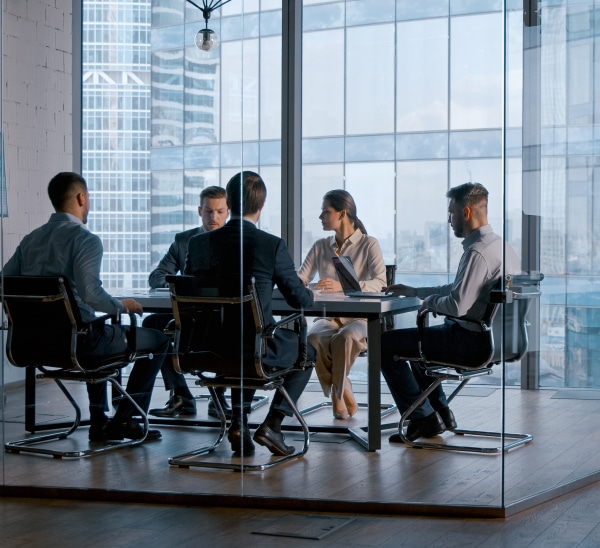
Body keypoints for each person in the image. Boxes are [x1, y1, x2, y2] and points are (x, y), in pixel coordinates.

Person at [2, 172, 169, 442]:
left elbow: (4, 284)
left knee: (96, 328)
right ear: (81, 198)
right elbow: (91, 294)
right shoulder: (85, 240)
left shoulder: (30, 240)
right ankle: (125, 420)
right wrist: (121, 305)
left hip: (32, 345)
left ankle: (100, 422)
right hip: (79, 345)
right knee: (158, 340)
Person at [185, 170, 316, 457]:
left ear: (229, 204)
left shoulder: (199, 244)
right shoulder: (270, 245)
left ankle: (238, 425)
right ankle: (273, 424)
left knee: (241, 339)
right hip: (252, 348)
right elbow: (299, 299)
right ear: (263, 204)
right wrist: (312, 291)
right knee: (308, 352)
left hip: (205, 348)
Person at [381, 182, 520, 443]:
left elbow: (457, 305)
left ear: (466, 213)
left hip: (470, 343)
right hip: (497, 341)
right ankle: (441, 413)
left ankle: (423, 419)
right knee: (417, 344)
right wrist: (415, 291)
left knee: (384, 344)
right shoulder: (501, 247)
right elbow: (460, 290)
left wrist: (426, 303)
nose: (449, 220)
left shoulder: (477, 253)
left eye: (451, 213)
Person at [298, 190, 386, 420]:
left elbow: (380, 283)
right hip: (328, 317)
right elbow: (301, 277)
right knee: (314, 338)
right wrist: (301, 282)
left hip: (360, 318)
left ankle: (337, 395)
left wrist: (344, 287)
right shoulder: (320, 246)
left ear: (342, 213)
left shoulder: (369, 244)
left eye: (325, 212)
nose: (321, 217)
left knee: (345, 338)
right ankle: (343, 383)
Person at [145, 186, 232, 419]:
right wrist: (180, 287)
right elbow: (157, 276)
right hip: (190, 315)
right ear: (199, 211)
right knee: (153, 322)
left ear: (228, 212)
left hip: (223, 316)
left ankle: (219, 396)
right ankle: (181, 394)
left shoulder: (235, 242)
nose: (213, 217)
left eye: (219, 211)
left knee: (232, 325)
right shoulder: (183, 240)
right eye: (208, 211)